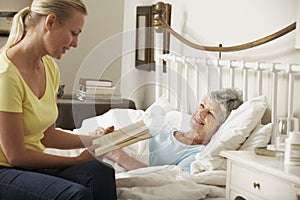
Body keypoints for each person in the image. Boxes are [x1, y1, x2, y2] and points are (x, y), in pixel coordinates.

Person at [0, 0, 117, 199]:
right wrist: (77, 161)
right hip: (6, 169)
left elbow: (48, 135)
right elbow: (16, 155)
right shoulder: (6, 76)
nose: (75, 44)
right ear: (51, 22)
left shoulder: (49, 68)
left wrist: (93, 141)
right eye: (74, 33)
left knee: (102, 172)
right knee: (75, 195)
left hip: (29, 167)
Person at [106, 88, 243, 172]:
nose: (201, 113)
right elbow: (121, 138)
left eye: (211, 114)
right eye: (202, 106)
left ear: (221, 127)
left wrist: (119, 156)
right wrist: (107, 136)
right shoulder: (165, 127)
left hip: (112, 165)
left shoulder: (197, 155)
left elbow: (164, 179)